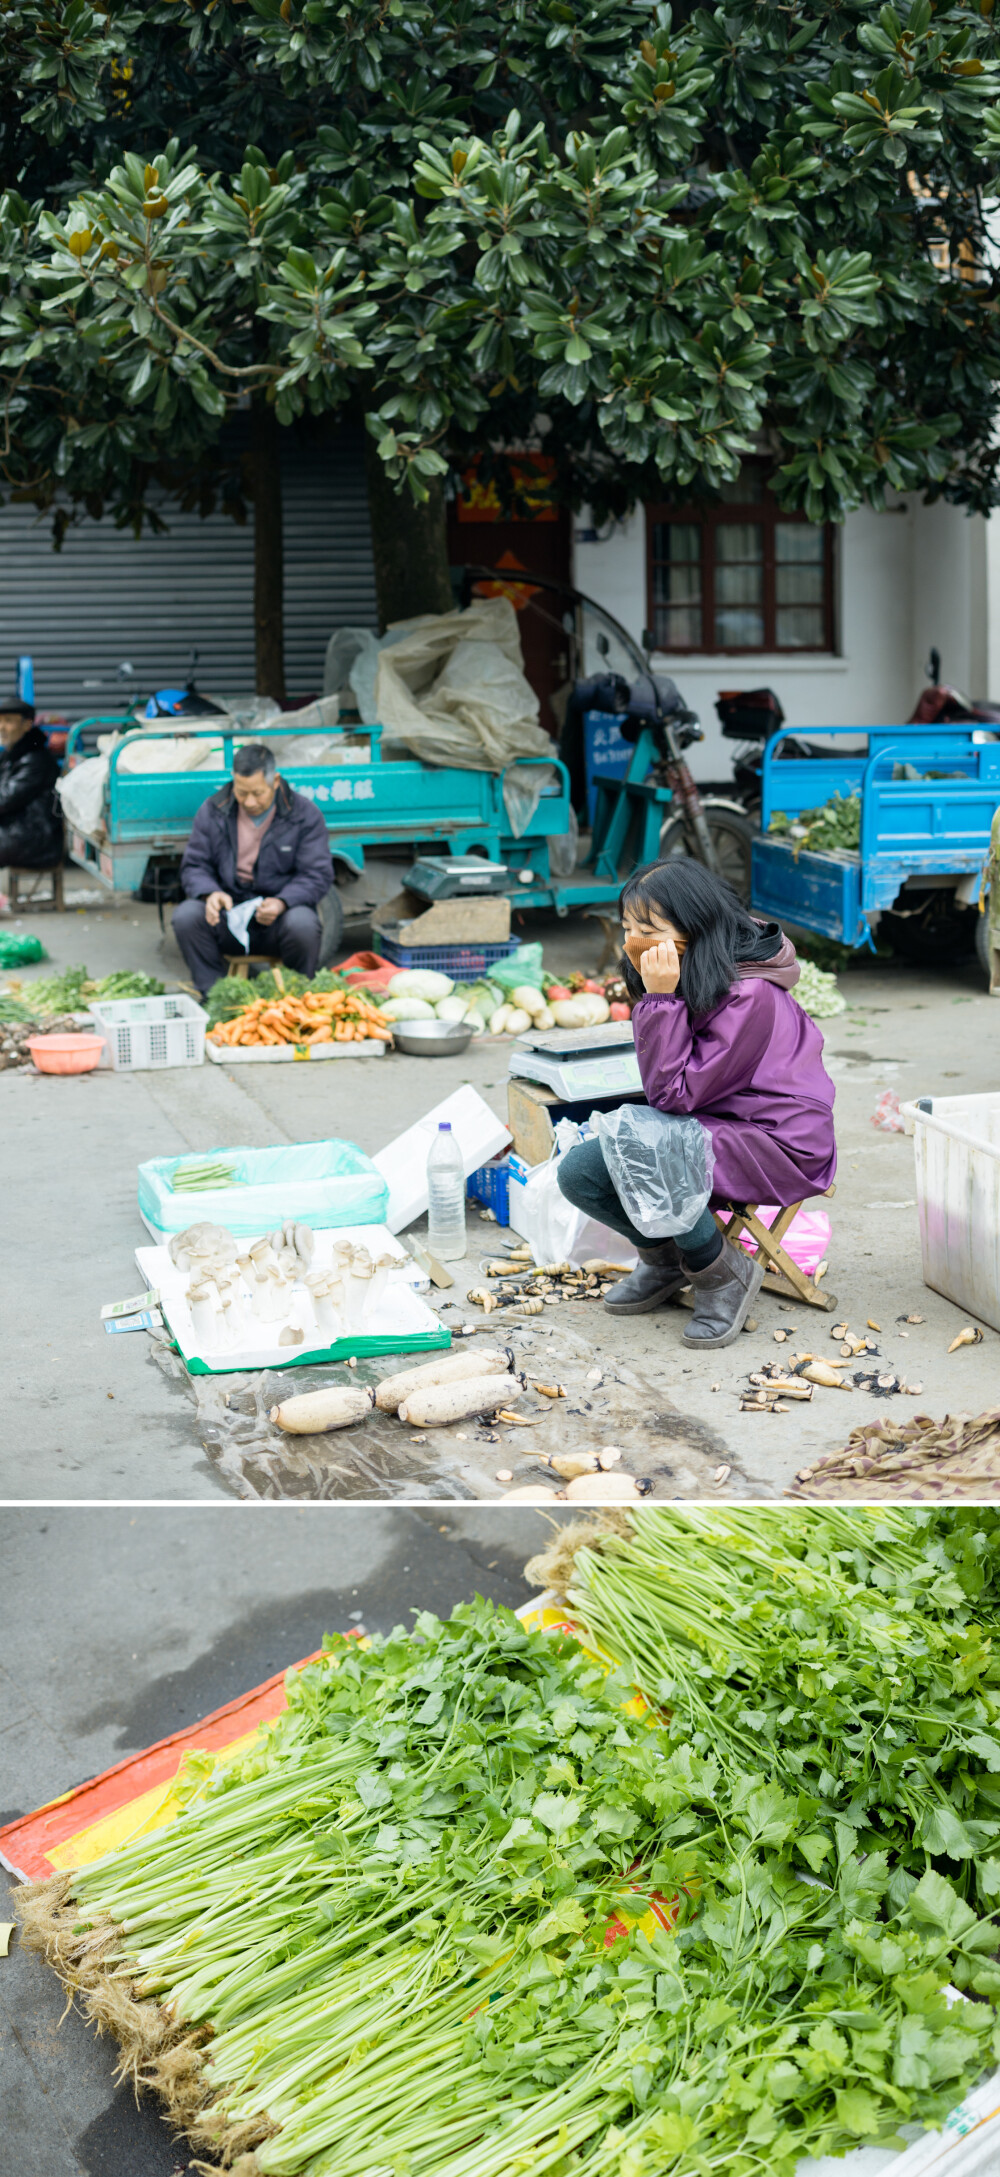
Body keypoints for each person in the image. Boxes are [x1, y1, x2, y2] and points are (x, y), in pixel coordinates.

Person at [557, 860, 837, 1350]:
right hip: (718, 1127)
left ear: (695, 925)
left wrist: (660, 999)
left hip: (779, 1143)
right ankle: (665, 1262)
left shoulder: (749, 994)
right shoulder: (700, 965)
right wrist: (657, 996)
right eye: (628, 928)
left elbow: (673, 1094)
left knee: (652, 1148)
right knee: (579, 1172)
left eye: (649, 929)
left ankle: (721, 1273)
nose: (633, 942)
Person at [173, 742, 333, 996]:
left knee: (304, 924)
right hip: (230, 916)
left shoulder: (304, 814)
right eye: (241, 792)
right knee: (187, 916)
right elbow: (194, 865)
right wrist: (210, 893)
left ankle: (298, 999)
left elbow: (317, 874)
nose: (249, 802)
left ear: (275, 781)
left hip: (278, 920)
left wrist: (282, 902)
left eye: (257, 793)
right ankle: (215, 997)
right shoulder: (214, 810)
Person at [0, 696, 63, 873]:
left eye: (9, 721)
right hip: (16, 831)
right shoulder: (14, 754)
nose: (2, 727)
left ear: (27, 725)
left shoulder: (34, 759)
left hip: (34, 839)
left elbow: (5, 799)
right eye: (0, 721)